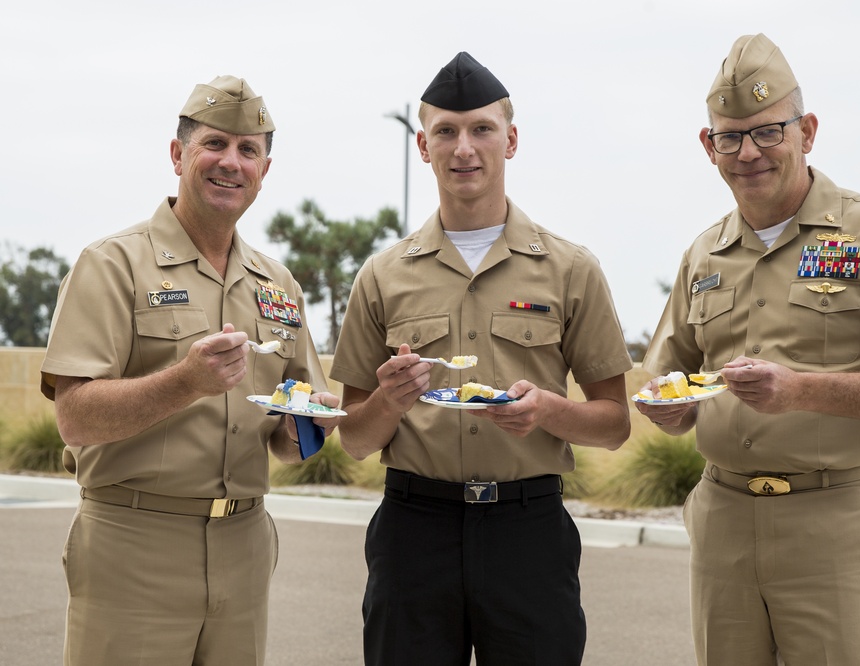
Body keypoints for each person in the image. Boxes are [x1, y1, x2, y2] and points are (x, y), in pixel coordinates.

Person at [637, 34, 860, 665]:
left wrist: (800, 389)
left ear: (807, 131)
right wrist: (667, 403)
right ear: (708, 147)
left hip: (834, 522)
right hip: (723, 524)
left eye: (768, 131)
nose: (749, 153)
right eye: (729, 137)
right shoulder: (703, 254)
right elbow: (667, 370)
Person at [331, 52, 634, 665]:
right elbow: (356, 441)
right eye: (445, 131)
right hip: (414, 534)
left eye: (481, 129)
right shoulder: (383, 276)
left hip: (529, 532)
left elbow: (615, 422)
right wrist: (390, 399)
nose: (463, 148)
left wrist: (548, 411)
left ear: (511, 140)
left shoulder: (571, 270)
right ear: (423, 145)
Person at [40, 75, 341, 665]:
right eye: (215, 145)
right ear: (178, 154)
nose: (231, 162)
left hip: (245, 545)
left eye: (248, 150)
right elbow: (73, 419)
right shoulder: (113, 265)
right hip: (134, 546)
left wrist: (309, 427)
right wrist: (184, 382)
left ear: (264, 170)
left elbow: (287, 440)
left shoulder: (278, 286)